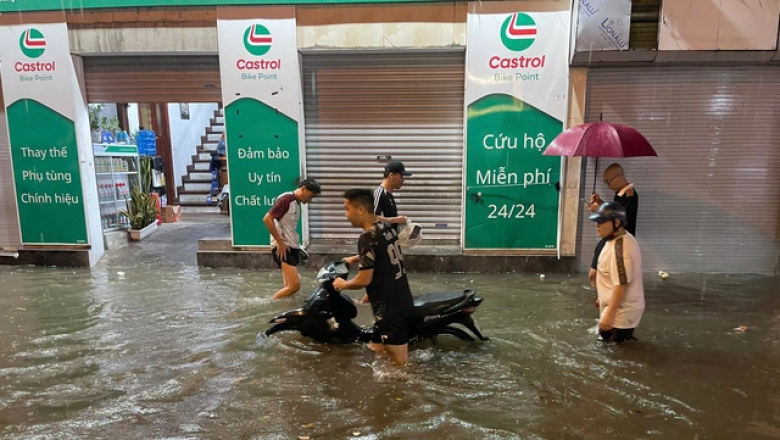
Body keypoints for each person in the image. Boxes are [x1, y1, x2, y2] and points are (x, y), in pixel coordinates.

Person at [333, 188, 415, 367]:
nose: (345, 214)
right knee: (377, 350)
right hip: (399, 299)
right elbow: (382, 251)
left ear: (360, 210)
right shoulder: (386, 228)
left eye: (347, 209)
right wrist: (355, 258)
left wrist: (342, 284)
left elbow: (363, 280)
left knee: (400, 366)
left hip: (390, 310)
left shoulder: (366, 237)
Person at [589, 201, 645, 343]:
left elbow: (622, 285)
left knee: (614, 350)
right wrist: (602, 295)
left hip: (620, 314)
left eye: (601, 222)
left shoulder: (620, 251)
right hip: (619, 311)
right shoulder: (620, 238)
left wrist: (609, 315)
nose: (597, 227)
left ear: (616, 223)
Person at [263, 178, 321, 300]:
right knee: (294, 286)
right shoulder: (286, 199)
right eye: (310, 196)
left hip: (290, 246)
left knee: (289, 286)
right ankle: (270, 303)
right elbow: (267, 219)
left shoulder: (295, 202)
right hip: (284, 247)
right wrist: (280, 242)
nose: (310, 200)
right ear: (303, 189)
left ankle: (284, 307)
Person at [586, 163, 638, 287]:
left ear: (619, 177)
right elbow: (615, 210)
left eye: (609, 181)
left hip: (619, 239)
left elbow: (621, 218)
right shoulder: (620, 194)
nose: (608, 185)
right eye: (605, 182)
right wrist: (600, 203)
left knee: (599, 275)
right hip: (611, 238)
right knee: (600, 274)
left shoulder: (629, 195)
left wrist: (599, 209)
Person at [374, 160, 412, 230]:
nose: (403, 180)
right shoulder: (379, 193)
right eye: (401, 176)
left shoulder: (389, 196)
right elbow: (370, 218)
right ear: (391, 175)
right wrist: (396, 219)